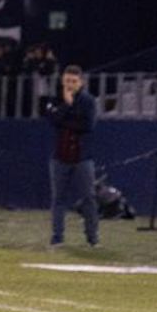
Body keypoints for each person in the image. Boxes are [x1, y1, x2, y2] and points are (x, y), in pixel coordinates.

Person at [44, 65, 99, 247]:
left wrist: (66, 117)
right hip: (59, 157)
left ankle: (92, 238)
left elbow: (87, 125)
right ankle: (57, 237)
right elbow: (53, 120)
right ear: (62, 81)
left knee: (88, 198)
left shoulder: (89, 101)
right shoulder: (55, 99)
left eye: (74, 81)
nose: (70, 84)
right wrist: (66, 106)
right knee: (58, 198)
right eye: (67, 81)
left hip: (82, 158)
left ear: (81, 82)